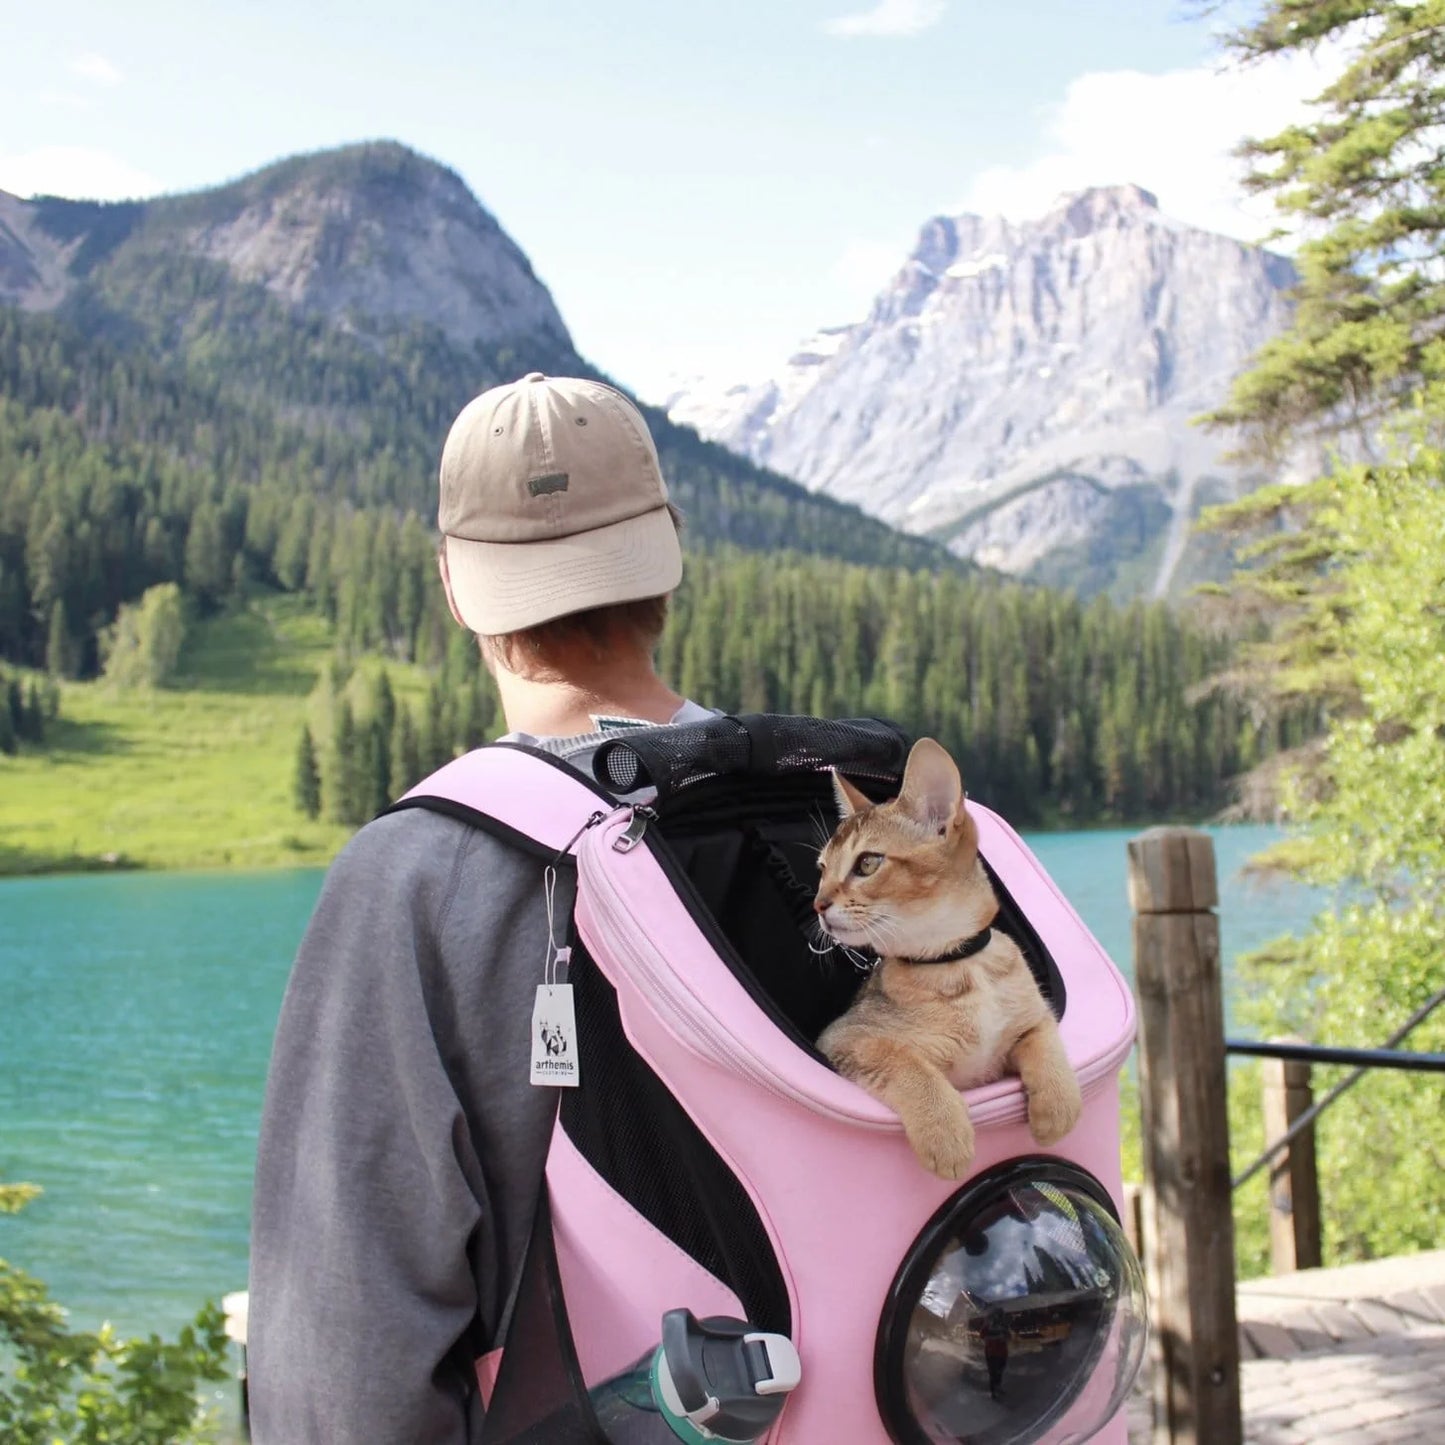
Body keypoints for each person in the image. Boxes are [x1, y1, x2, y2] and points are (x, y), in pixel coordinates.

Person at [248, 372, 711, 1444]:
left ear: (455, 587)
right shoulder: (836, 822)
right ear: (666, 555)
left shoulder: (415, 876)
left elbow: (347, 1362)